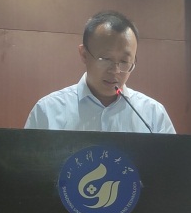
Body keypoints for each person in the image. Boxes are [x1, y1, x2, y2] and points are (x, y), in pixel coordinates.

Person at [24, 10, 176, 133]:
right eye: (105, 59)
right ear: (84, 54)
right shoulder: (47, 111)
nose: (115, 70)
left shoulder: (152, 114)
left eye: (124, 62)